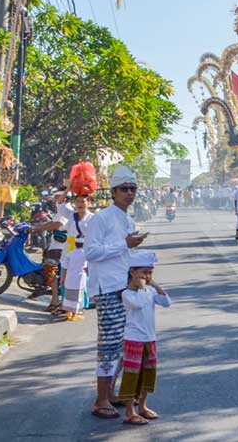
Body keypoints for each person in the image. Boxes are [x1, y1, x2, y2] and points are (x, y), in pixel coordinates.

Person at [84, 166, 147, 420]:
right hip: (107, 288)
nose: (129, 193)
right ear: (113, 192)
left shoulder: (127, 219)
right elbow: (91, 252)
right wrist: (124, 244)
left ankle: (110, 392)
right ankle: (100, 399)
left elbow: (124, 254)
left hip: (124, 286)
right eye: (124, 189)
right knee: (109, 344)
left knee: (125, 342)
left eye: (133, 189)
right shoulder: (102, 218)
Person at [119, 249, 171, 426]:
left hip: (150, 338)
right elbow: (139, 304)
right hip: (134, 339)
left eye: (150, 273)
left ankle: (142, 406)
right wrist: (142, 287)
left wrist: (155, 285)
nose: (147, 276)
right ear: (132, 272)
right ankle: (129, 412)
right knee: (132, 374)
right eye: (143, 272)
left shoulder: (149, 290)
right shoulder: (127, 294)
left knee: (148, 373)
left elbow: (166, 302)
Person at [59, 193, 94, 321]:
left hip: (86, 250)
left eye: (83, 201)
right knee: (67, 279)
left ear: (89, 203)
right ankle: (67, 307)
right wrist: (67, 189)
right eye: (78, 201)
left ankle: (80, 308)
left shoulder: (92, 218)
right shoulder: (71, 215)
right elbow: (61, 206)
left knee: (83, 280)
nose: (80, 204)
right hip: (70, 248)